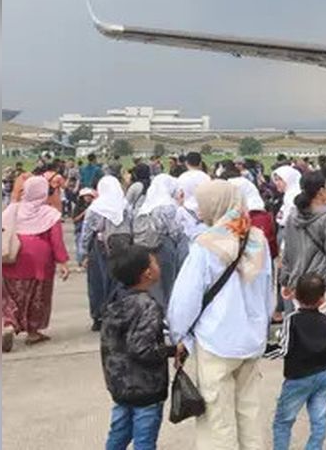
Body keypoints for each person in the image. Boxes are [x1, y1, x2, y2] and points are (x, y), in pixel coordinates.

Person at [167, 180, 273, 450]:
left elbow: (185, 300)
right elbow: (267, 290)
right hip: (251, 340)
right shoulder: (257, 239)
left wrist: (179, 335)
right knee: (249, 411)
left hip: (217, 341)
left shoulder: (206, 244)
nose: (200, 211)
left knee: (217, 419)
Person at [280, 172, 326, 384]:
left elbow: (288, 252)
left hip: (299, 284)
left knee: (303, 337)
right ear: (321, 191)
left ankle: (306, 381)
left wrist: (286, 280)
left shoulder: (293, 216)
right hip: (324, 285)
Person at [100, 245, 175, 450]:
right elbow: (142, 348)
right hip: (146, 388)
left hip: (120, 385)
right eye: (155, 262)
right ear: (148, 273)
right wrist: (171, 350)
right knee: (145, 440)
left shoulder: (114, 300)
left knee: (119, 432)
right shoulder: (147, 306)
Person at [272, 274, 326, 450]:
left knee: (283, 421)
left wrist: (265, 352)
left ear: (295, 295)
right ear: (322, 299)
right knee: (319, 420)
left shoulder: (292, 320)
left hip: (297, 377)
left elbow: (284, 349)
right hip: (323, 375)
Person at [1, 176, 69, 350]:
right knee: (38, 296)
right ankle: (33, 332)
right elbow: (56, 241)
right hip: (40, 259)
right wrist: (63, 263)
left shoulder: (13, 208)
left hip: (13, 255)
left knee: (11, 293)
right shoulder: (50, 213)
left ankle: (8, 323)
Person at [79, 175, 135, 332]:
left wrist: (83, 254)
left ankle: (98, 316)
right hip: (123, 247)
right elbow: (132, 225)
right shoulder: (125, 206)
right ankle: (119, 314)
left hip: (99, 248)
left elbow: (86, 233)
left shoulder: (95, 208)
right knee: (120, 280)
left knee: (97, 283)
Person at [135, 174, 188, 307]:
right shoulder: (168, 206)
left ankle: (152, 310)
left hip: (145, 247)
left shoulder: (144, 204)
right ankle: (165, 312)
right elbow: (175, 232)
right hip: (164, 246)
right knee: (167, 281)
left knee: (151, 281)